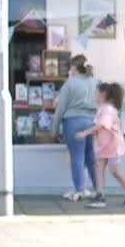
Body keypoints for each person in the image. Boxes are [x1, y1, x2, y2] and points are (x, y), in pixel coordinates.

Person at [73, 81, 125, 209]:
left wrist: (85, 133)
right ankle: (100, 196)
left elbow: (102, 125)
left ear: (103, 94)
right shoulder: (102, 108)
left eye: (96, 92)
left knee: (115, 171)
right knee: (99, 168)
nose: (95, 95)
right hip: (104, 145)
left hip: (112, 145)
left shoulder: (107, 109)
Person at [52, 54, 98, 201]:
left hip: (73, 122)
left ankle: (79, 190)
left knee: (77, 157)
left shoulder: (70, 84)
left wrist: (54, 128)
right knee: (91, 158)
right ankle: (99, 189)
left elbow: (61, 108)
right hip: (91, 122)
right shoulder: (95, 83)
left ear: (73, 67)